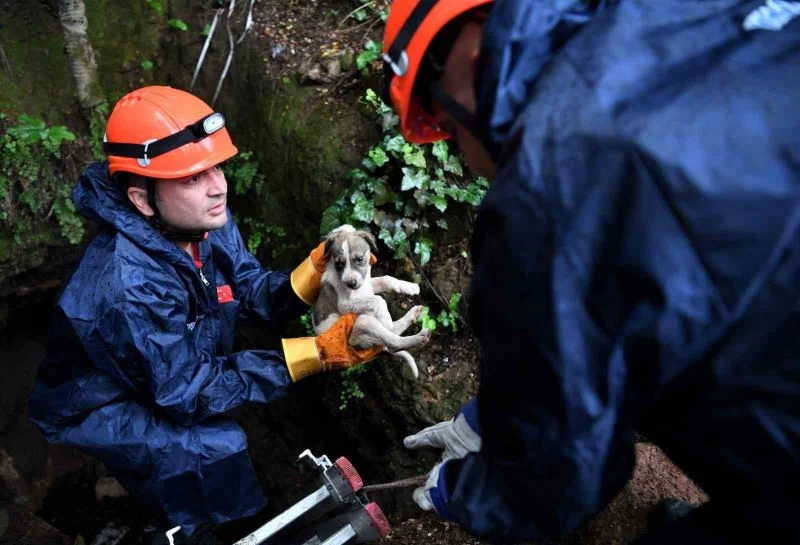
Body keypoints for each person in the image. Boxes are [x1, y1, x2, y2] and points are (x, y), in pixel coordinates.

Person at [381, 1, 800, 543]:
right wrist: (506, 408)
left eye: (439, 120)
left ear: (470, 56)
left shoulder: (547, 187)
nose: (454, 145)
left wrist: (461, 489)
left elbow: (551, 485)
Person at [28, 86, 382, 544]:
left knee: (215, 442)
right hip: (97, 401)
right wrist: (315, 352)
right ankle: (190, 531)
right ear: (141, 199)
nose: (219, 186)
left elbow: (248, 289)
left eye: (215, 166)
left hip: (168, 367)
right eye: (193, 177)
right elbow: (184, 391)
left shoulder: (198, 220)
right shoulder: (126, 285)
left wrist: (316, 271)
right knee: (212, 447)